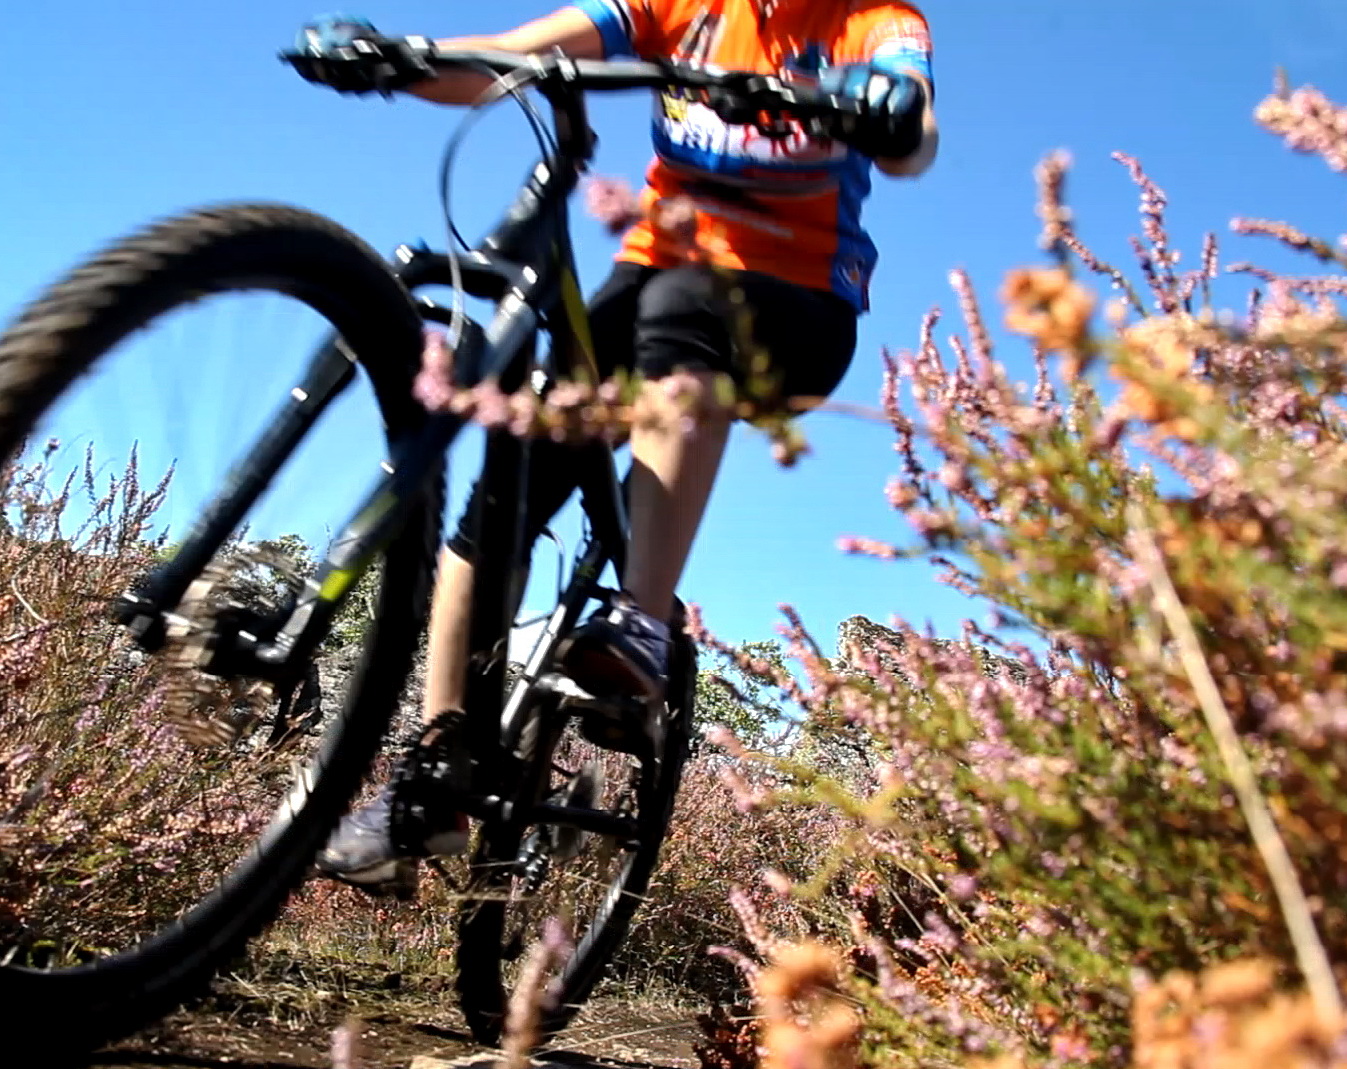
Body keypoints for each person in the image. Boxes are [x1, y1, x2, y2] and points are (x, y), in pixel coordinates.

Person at [291, 0, 939, 893]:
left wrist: (885, 106)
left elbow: (912, 131)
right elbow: (510, 56)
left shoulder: (873, 20)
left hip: (797, 301)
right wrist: (398, 61)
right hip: (655, 274)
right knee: (505, 492)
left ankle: (640, 623)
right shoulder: (678, 7)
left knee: (684, 312)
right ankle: (434, 770)